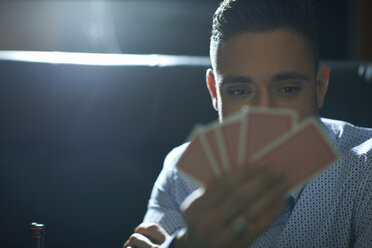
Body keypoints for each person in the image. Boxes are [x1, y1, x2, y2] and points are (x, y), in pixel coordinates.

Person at [123, 0, 372, 247]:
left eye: (287, 88)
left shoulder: (365, 169)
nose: (263, 112)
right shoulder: (180, 173)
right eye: (240, 91)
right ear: (214, 92)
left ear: (320, 87)